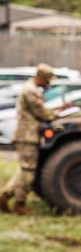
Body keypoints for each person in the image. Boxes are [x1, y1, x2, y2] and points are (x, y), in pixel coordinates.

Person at [0, 64, 60, 215]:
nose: (48, 84)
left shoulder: (31, 89)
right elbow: (40, 112)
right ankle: (19, 204)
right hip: (27, 136)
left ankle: (5, 196)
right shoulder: (30, 91)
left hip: (28, 134)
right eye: (47, 80)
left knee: (24, 169)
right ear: (40, 77)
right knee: (28, 171)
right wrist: (55, 115)